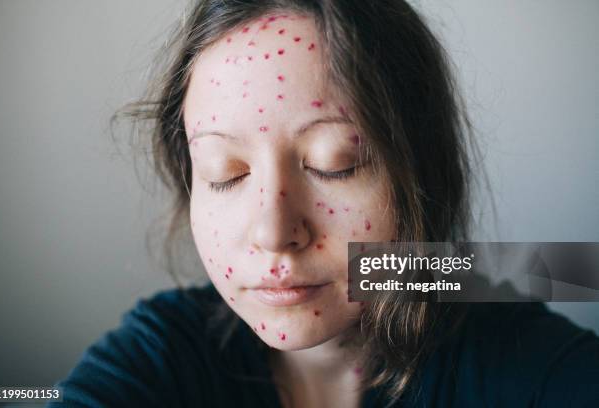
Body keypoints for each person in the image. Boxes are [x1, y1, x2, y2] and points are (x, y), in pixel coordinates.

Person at [50, 1, 599, 407]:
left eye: (332, 164)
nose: (273, 230)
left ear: (420, 174)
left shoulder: (521, 356)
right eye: (225, 173)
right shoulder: (161, 354)